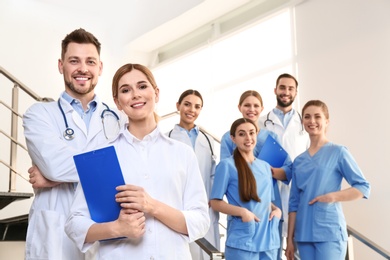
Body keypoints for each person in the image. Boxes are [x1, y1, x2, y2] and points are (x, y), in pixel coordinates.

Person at [65, 63, 210, 259]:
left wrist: (152, 206)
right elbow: (74, 224)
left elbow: (201, 221)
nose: (135, 95)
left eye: (142, 86)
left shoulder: (182, 154)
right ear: (117, 102)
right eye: (126, 90)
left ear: (156, 93)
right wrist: (117, 228)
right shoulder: (101, 156)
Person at [22, 28, 126, 260]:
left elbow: (132, 167)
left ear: (99, 67)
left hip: (105, 229)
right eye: (74, 61)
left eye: (90, 61)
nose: (83, 69)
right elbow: (56, 165)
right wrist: (106, 165)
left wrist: (54, 178)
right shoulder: (39, 115)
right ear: (61, 66)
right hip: (55, 234)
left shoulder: (120, 119)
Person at [285, 100, 371, 260]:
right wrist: (289, 239)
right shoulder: (298, 161)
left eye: (317, 116)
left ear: (326, 121)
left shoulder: (338, 152)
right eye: (307, 117)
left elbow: (362, 187)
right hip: (303, 234)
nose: (312, 121)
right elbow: (293, 203)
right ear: (302, 122)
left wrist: (332, 197)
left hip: (329, 230)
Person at [220, 90, 292, 253]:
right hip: (243, 209)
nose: (251, 109)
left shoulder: (270, 136)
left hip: (270, 206)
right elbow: (225, 175)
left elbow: (288, 169)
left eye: (256, 106)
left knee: (272, 252)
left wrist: (268, 172)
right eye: (247, 105)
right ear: (239, 107)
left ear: (261, 109)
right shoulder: (228, 138)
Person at [211, 118, 282, 260]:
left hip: (269, 240)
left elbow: (264, 200)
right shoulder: (227, 166)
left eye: (252, 133)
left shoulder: (265, 167)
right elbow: (215, 202)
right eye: (242, 134)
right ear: (233, 138)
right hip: (243, 240)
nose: (248, 138)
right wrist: (242, 212)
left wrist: (277, 210)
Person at [259, 73, 310, 259]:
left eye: (290, 88)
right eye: (282, 87)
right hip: (270, 190)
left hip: (298, 190)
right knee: (271, 249)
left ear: (296, 92)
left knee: (296, 251)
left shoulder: (305, 124)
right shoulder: (261, 122)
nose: (286, 92)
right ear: (275, 90)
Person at [167, 89, 220, 260]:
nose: (192, 110)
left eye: (197, 107)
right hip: (179, 207)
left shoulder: (208, 140)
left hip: (206, 206)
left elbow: (212, 174)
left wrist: (213, 198)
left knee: (209, 252)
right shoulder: (167, 138)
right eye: (187, 104)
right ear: (178, 106)